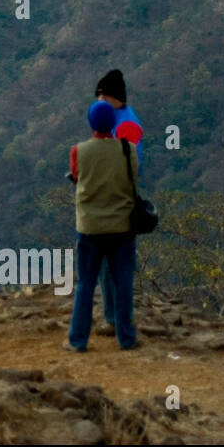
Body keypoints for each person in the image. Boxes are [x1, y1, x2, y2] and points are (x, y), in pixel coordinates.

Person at [65, 100, 140, 352]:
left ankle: (78, 340)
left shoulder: (79, 151)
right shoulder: (128, 150)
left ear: (91, 123)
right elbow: (133, 179)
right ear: (113, 124)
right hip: (122, 227)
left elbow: (76, 177)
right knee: (123, 282)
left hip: (90, 228)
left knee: (85, 284)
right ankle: (127, 338)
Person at [94, 69, 143, 335]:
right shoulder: (115, 120)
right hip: (112, 199)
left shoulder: (126, 125)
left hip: (118, 201)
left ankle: (117, 319)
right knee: (109, 265)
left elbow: (130, 166)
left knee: (114, 265)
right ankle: (114, 317)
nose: (99, 100)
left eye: (102, 95)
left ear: (115, 97)